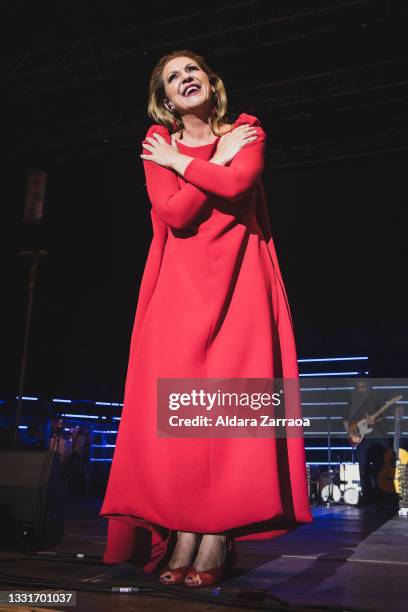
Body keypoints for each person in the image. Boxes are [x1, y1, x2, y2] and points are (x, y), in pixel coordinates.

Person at [99, 49, 312, 587]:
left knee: (232, 408)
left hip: (242, 281)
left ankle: (217, 536)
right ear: (165, 99)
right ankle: (185, 531)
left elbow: (240, 186)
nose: (185, 78)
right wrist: (201, 162)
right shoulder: (158, 147)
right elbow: (174, 213)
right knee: (181, 417)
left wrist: (188, 167)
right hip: (179, 289)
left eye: (192, 70)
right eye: (173, 77)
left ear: (211, 83)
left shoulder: (246, 130)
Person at [343, 378, 391, 505]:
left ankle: (383, 493)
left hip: (378, 436)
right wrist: (351, 433)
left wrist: (375, 421)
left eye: (363, 386)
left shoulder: (376, 399)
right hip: (362, 438)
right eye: (359, 387)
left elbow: (383, 416)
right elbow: (346, 421)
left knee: (383, 464)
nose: (361, 389)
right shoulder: (353, 402)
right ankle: (366, 494)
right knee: (363, 466)